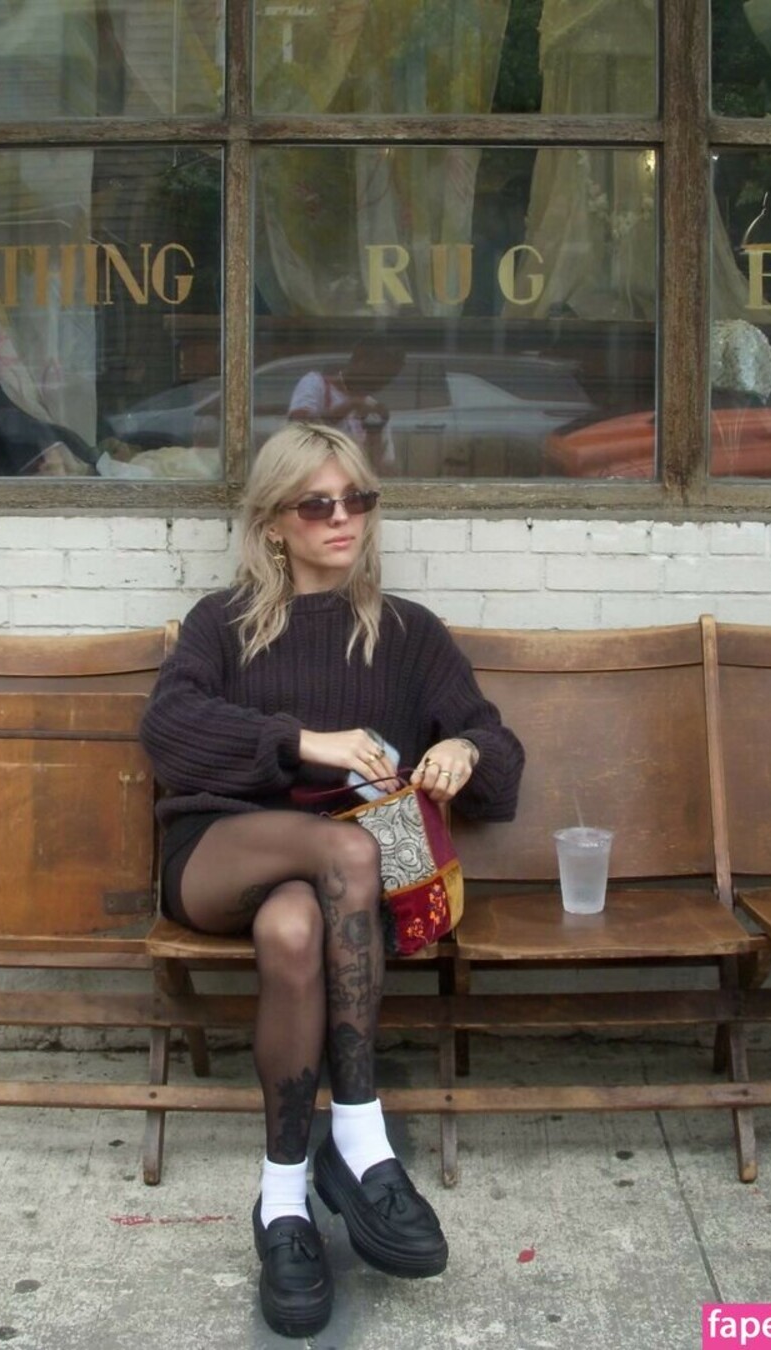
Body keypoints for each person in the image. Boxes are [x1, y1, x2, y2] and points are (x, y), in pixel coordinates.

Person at [139, 422, 524, 1340]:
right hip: (220, 851)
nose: (343, 517)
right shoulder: (223, 623)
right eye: (318, 504)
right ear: (274, 521)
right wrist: (304, 742)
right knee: (343, 857)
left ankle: (281, 1202)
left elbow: (499, 752)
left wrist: (465, 750)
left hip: (328, 896)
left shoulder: (407, 633)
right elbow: (168, 730)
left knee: (294, 930)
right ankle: (359, 1139)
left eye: (359, 499)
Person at [287, 336, 406, 474]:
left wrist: (375, 433)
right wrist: (350, 406)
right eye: (378, 375)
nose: (382, 384)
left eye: (389, 379)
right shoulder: (315, 384)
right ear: (359, 360)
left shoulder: (372, 408)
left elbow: (382, 468)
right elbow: (299, 427)